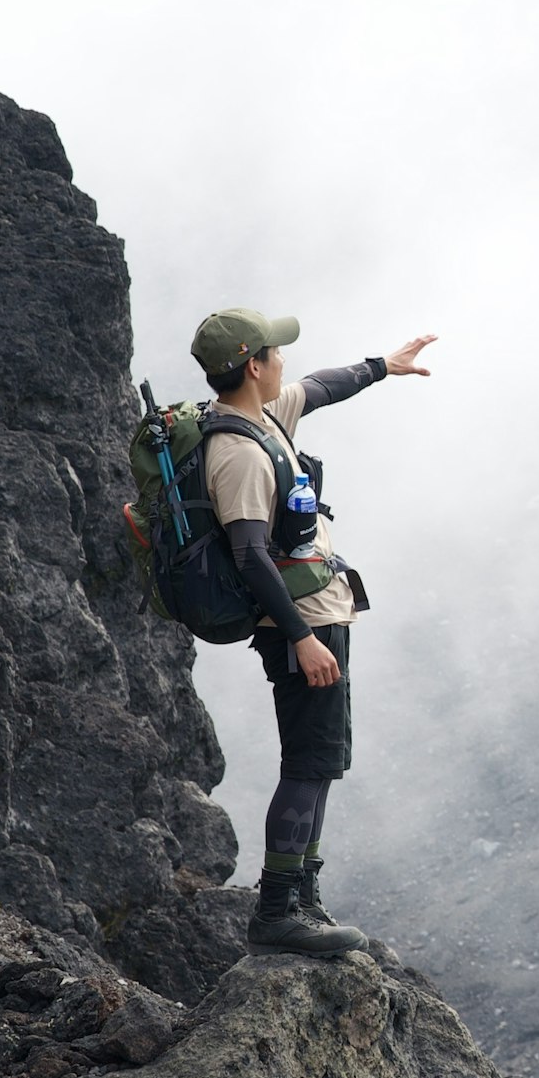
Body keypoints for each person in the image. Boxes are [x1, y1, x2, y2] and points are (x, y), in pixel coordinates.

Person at [188, 307, 437, 959]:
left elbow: (324, 386)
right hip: (302, 626)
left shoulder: (266, 417)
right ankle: (278, 912)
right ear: (252, 364)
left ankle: (305, 897)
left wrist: (385, 364)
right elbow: (249, 554)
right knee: (305, 765)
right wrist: (300, 636)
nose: (284, 361)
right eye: (275, 352)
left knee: (321, 763)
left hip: (323, 613)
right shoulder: (237, 451)